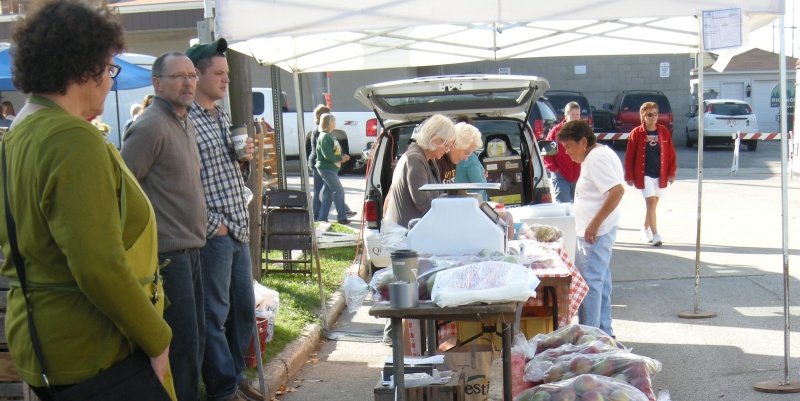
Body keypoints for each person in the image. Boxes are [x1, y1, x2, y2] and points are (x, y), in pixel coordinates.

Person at [0, 1, 175, 400]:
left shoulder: (18, 135)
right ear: (83, 67)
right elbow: (98, 265)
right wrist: (157, 337)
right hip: (91, 346)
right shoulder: (70, 138)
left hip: (42, 338)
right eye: (110, 67)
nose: (111, 81)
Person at [121, 51, 207, 401]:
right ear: (157, 83)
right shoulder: (151, 124)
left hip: (193, 250)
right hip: (168, 256)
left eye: (192, 75)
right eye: (178, 76)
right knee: (181, 349)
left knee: (195, 341)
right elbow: (122, 187)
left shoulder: (184, 119)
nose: (188, 82)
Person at [185, 38, 263, 401]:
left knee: (244, 311)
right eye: (218, 73)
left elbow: (225, 172)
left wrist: (243, 159)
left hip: (237, 224)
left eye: (228, 74)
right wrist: (208, 222)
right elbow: (181, 183)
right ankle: (221, 389)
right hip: (214, 231)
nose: (226, 80)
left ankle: (234, 375)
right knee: (213, 315)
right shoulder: (184, 119)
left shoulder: (222, 114)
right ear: (196, 76)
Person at [557, 120, 624, 337]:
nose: (567, 153)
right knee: (600, 283)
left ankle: (589, 337)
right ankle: (603, 333)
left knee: (590, 285)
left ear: (583, 142)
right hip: (598, 229)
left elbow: (617, 191)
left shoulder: (596, 158)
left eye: (569, 147)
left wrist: (593, 224)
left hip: (596, 232)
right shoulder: (597, 154)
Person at [384, 114, 456, 228]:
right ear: (434, 137)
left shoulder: (425, 158)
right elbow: (424, 204)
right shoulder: (415, 159)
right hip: (406, 236)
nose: (446, 150)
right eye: (445, 145)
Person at [623, 102, 676, 247]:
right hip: (644, 174)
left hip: (660, 174)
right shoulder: (636, 133)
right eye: (650, 115)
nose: (653, 117)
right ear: (643, 116)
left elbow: (671, 154)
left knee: (653, 205)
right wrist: (629, 176)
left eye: (655, 114)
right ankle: (656, 234)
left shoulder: (663, 131)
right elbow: (630, 156)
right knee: (651, 203)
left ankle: (644, 229)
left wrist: (671, 172)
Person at [316, 113, 353, 224]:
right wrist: (341, 158)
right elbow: (328, 155)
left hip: (330, 168)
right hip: (326, 168)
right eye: (333, 121)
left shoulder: (329, 135)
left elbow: (333, 152)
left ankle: (322, 219)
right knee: (339, 191)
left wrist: (342, 156)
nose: (335, 123)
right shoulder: (325, 137)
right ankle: (341, 217)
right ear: (328, 123)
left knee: (328, 193)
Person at [544, 101, 582, 203]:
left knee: (579, 207)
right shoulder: (556, 132)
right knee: (563, 205)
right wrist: (553, 168)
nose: (576, 117)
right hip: (561, 175)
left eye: (578, 114)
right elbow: (546, 153)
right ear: (566, 116)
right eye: (573, 114)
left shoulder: (583, 132)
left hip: (579, 176)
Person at [451, 122, 488, 201]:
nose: (466, 158)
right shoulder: (471, 159)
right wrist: (483, 177)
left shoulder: (449, 160)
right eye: (467, 153)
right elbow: (480, 186)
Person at [307, 104, 330, 219]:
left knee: (322, 187)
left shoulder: (317, 129)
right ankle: (316, 212)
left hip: (315, 161)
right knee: (320, 188)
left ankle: (317, 212)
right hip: (317, 162)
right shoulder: (318, 130)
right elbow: (322, 148)